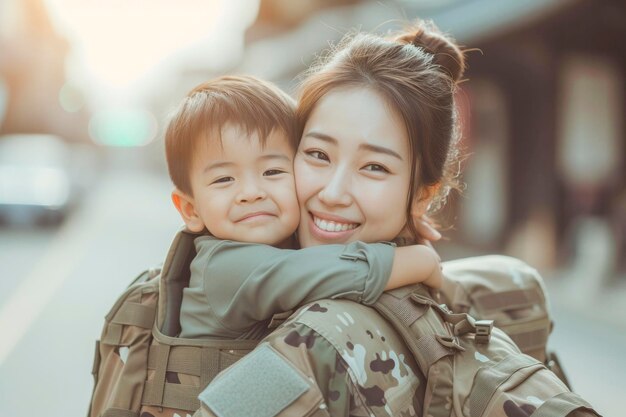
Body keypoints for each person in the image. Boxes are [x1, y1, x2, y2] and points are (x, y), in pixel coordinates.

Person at [196, 20, 466, 417]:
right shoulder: (429, 293)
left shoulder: (312, 344)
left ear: (422, 196)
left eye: (374, 167)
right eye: (318, 155)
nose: (334, 193)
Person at [164, 75, 443, 340]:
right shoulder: (226, 268)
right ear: (190, 210)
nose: (251, 193)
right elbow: (342, 271)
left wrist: (402, 225)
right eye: (224, 179)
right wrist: (422, 261)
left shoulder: (286, 241)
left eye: (272, 172)